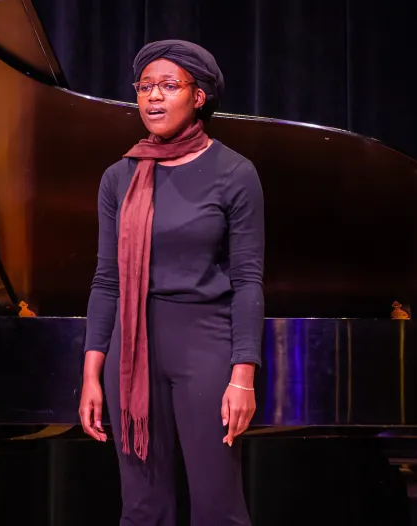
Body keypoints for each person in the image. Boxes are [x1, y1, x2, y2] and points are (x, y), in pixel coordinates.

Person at [79, 40, 264, 525]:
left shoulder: (234, 173)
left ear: (198, 96)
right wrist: (91, 374)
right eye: (145, 87)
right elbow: (106, 281)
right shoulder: (119, 177)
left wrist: (242, 376)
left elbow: (248, 281)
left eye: (168, 85)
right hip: (130, 351)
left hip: (205, 347)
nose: (153, 97)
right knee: (142, 508)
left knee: (217, 506)